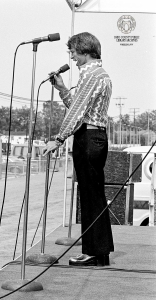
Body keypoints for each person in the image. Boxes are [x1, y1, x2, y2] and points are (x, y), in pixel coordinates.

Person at [43, 32, 114, 266]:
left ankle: (96, 253)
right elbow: (79, 108)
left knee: (92, 196)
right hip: (92, 136)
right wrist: (63, 89)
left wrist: (59, 138)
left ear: (84, 50)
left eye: (72, 51)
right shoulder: (95, 74)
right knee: (91, 195)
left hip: (90, 137)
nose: (71, 56)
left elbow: (76, 113)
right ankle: (96, 251)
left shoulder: (91, 74)